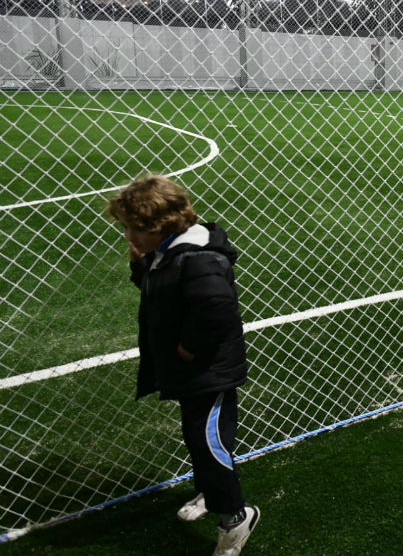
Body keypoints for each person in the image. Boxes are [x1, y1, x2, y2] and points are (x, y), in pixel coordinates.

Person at [107, 174, 260, 556]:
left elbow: (217, 311)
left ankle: (236, 518)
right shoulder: (171, 251)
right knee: (198, 437)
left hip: (209, 370)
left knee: (208, 440)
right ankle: (210, 492)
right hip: (191, 370)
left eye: (131, 227)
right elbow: (167, 293)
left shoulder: (198, 256)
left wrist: (190, 349)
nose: (127, 234)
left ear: (156, 223)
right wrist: (142, 266)